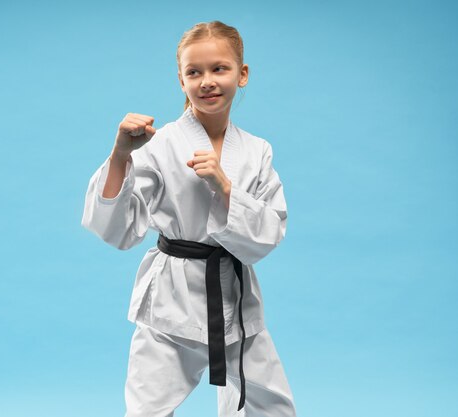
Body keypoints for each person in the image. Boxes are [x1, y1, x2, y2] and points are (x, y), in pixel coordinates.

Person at [81, 20, 297, 417]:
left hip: (235, 298)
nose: (207, 81)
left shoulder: (257, 151)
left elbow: (268, 233)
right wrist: (120, 154)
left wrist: (225, 185)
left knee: (272, 407)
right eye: (194, 72)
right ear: (180, 80)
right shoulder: (159, 144)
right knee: (148, 409)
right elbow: (117, 229)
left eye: (219, 69)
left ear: (242, 74)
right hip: (171, 302)